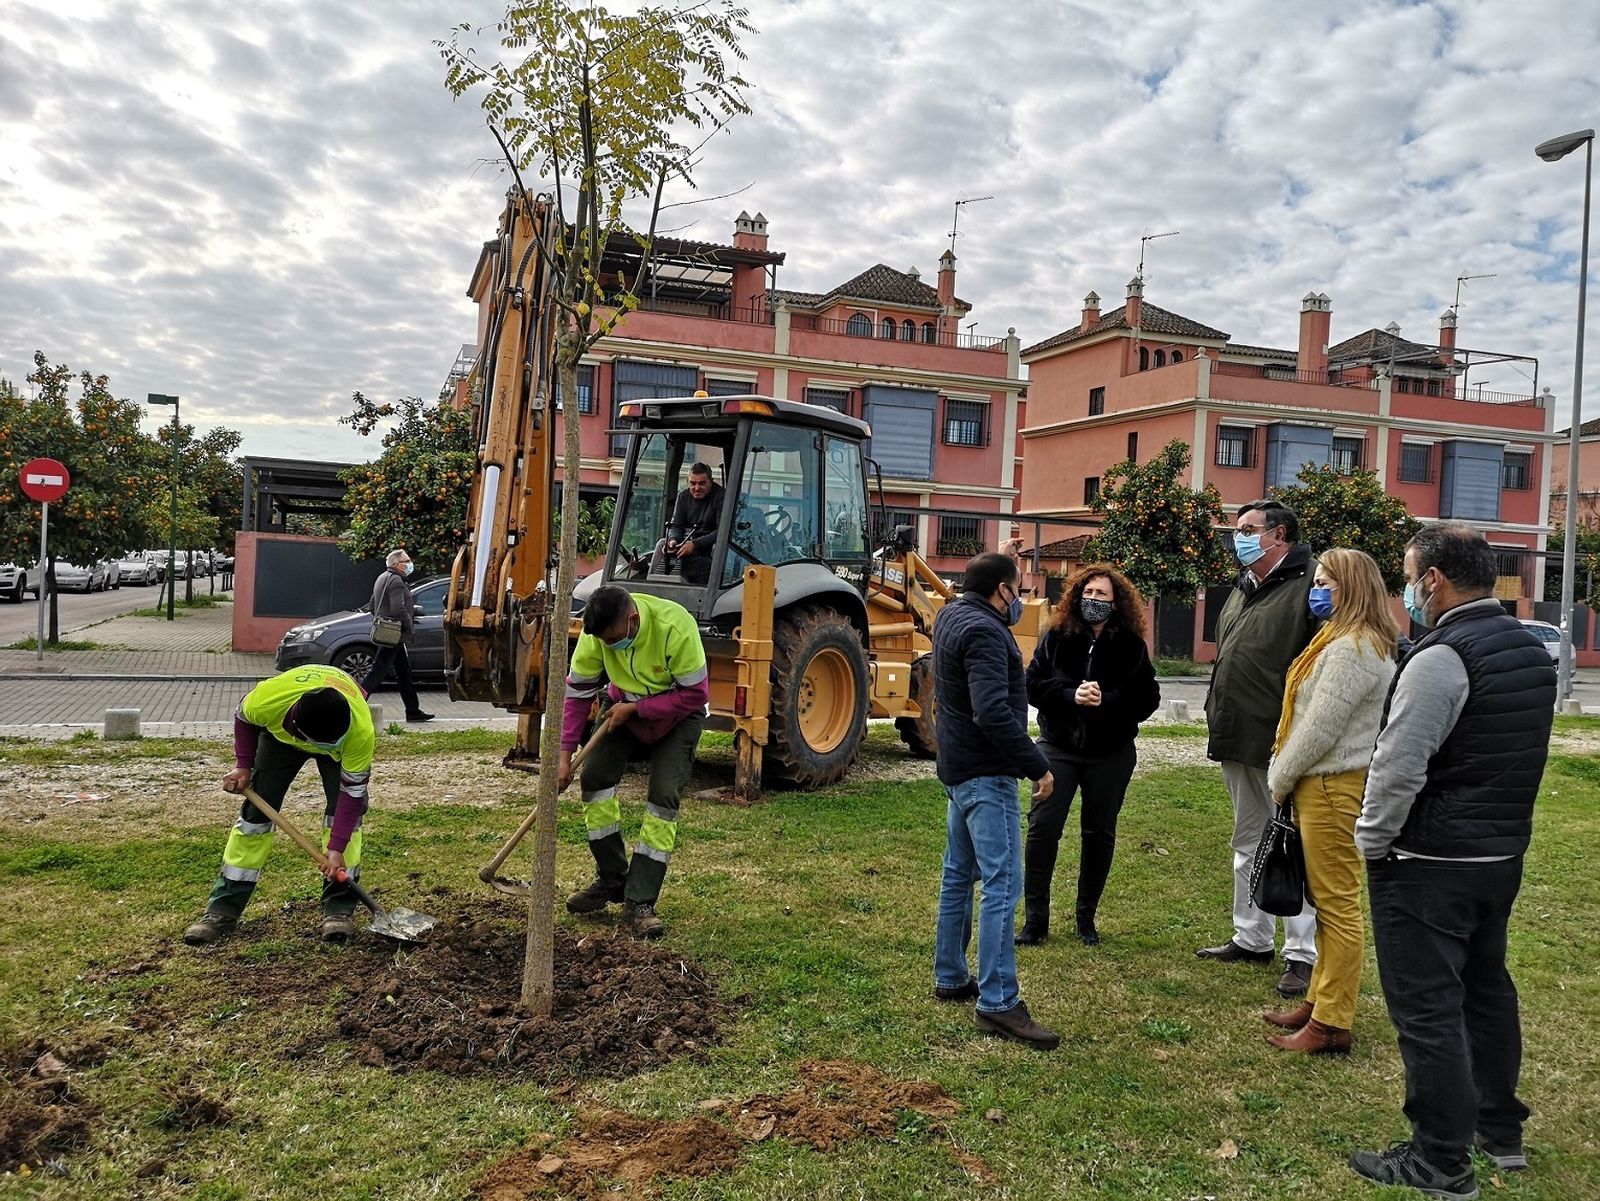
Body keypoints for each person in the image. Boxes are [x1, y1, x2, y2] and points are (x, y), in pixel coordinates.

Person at [1347, 526, 1555, 1198]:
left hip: (1430, 858)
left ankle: (1440, 1156)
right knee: (1486, 989)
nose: (1407, 589)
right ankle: (1500, 1127)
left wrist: (1372, 841)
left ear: (1432, 579)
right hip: (1498, 851)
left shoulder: (1442, 656)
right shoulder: (1527, 649)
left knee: (1429, 1006)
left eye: (1409, 575)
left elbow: (1398, 764)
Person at [1261, 548, 1398, 1053]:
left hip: (1332, 785)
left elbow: (1321, 726)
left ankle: (1332, 1021)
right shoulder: (1341, 638)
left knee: (1337, 904)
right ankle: (1319, 1000)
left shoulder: (1353, 647)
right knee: (1324, 898)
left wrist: (1281, 775)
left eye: (1326, 581)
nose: (1316, 589)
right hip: (1322, 783)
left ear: (1352, 586)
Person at [931, 552, 1060, 1050]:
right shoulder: (986, 631)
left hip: (958, 768)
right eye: (1020, 590)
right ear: (1002, 591)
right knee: (1003, 883)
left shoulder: (952, 615)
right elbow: (990, 710)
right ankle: (999, 1001)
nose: (1023, 599)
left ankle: (950, 975)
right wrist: (1037, 765)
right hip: (986, 773)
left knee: (958, 874)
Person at [1199, 500, 1320, 998]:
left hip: (1284, 741)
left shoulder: (1313, 585)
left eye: (1248, 529)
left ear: (1280, 535)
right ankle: (1250, 937)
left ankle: (1302, 954)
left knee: (1295, 847)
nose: (1238, 537)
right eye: (1237, 528)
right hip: (1237, 733)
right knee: (1247, 838)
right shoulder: (1243, 586)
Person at [183, 666, 377, 945]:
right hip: (280, 739)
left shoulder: (358, 732)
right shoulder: (267, 701)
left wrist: (336, 848)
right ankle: (222, 910)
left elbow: (351, 796)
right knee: (254, 819)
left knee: (344, 820)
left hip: (339, 744)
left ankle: (339, 910)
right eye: (324, 744)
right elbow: (243, 717)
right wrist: (243, 766)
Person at [1019, 563, 1159, 946]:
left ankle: (1086, 919)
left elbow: (1148, 699)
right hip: (1058, 747)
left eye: (1102, 595)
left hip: (1110, 753)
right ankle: (1035, 921)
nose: (1093, 600)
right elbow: (1032, 685)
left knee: (1099, 833)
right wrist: (1069, 695)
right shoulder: (1057, 635)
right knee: (1043, 828)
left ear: (1116, 605)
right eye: (1089, 593)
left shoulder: (1131, 646)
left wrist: (1107, 701)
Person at [560, 584, 708, 939]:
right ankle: (612, 879)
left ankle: (640, 900)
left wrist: (638, 709)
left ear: (633, 620)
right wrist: (563, 756)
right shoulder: (597, 633)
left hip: (678, 715)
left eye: (614, 640)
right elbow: (578, 693)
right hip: (622, 707)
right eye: (604, 642)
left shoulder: (675, 627)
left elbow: (695, 695)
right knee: (594, 780)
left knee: (663, 798)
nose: (609, 647)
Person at [359, 548, 433, 723]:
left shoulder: (382, 578)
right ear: (396, 564)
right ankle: (357, 703)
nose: (409, 564)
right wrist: (408, 627)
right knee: (377, 671)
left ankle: (413, 711)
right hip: (394, 635)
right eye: (406, 561)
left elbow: (372, 606)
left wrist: (381, 622)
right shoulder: (397, 581)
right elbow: (397, 608)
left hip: (389, 633)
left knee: (403, 672)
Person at [666, 462, 725, 585]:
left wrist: (695, 544)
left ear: (711, 481)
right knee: (662, 546)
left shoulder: (722, 497)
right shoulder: (683, 497)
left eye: (702, 483)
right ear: (688, 482)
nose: (697, 488)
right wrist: (673, 540)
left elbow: (723, 531)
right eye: (693, 483)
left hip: (712, 551)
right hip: (689, 546)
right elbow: (677, 525)